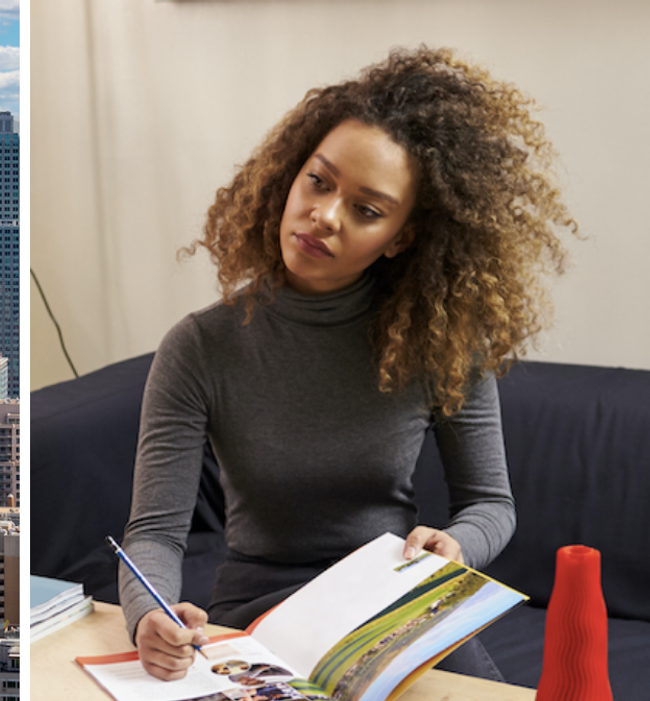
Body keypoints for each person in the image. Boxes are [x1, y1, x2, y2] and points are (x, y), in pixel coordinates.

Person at [118, 45, 576, 682]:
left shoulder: (441, 342)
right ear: (290, 175)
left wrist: (456, 546)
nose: (324, 216)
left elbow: (491, 504)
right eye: (318, 181)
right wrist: (148, 613)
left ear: (401, 237)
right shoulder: (200, 346)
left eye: (366, 210)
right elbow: (155, 533)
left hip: (395, 609)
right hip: (257, 612)